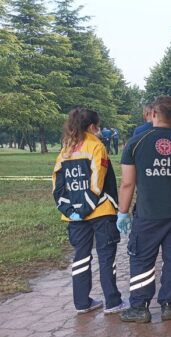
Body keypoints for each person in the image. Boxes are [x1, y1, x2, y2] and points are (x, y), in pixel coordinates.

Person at [117, 96, 171, 323]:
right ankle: (168, 305)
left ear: (153, 113)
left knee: (142, 258)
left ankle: (140, 307)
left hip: (149, 213)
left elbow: (127, 183)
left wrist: (122, 212)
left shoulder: (135, 143)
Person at [52, 108, 125, 315]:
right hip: (100, 211)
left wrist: (68, 208)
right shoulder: (96, 146)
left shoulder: (66, 149)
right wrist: (86, 208)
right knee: (106, 256)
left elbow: (57, 183)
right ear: (93, 127)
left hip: (74, 215)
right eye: (98, 126)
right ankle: (113, 302)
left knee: (81, 257)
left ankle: (82, 302)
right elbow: (97, 181)